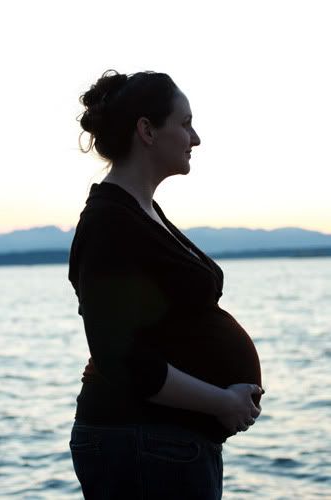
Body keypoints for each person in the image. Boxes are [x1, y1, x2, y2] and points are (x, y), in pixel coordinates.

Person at [68, 69, 264, 500]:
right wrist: (220, 402)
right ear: (147, 130)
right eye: (185, 123)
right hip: (140, 444)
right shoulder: (109, 223)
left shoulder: (140, 212)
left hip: (161, 446)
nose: (195, 139)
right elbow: (119, 355)